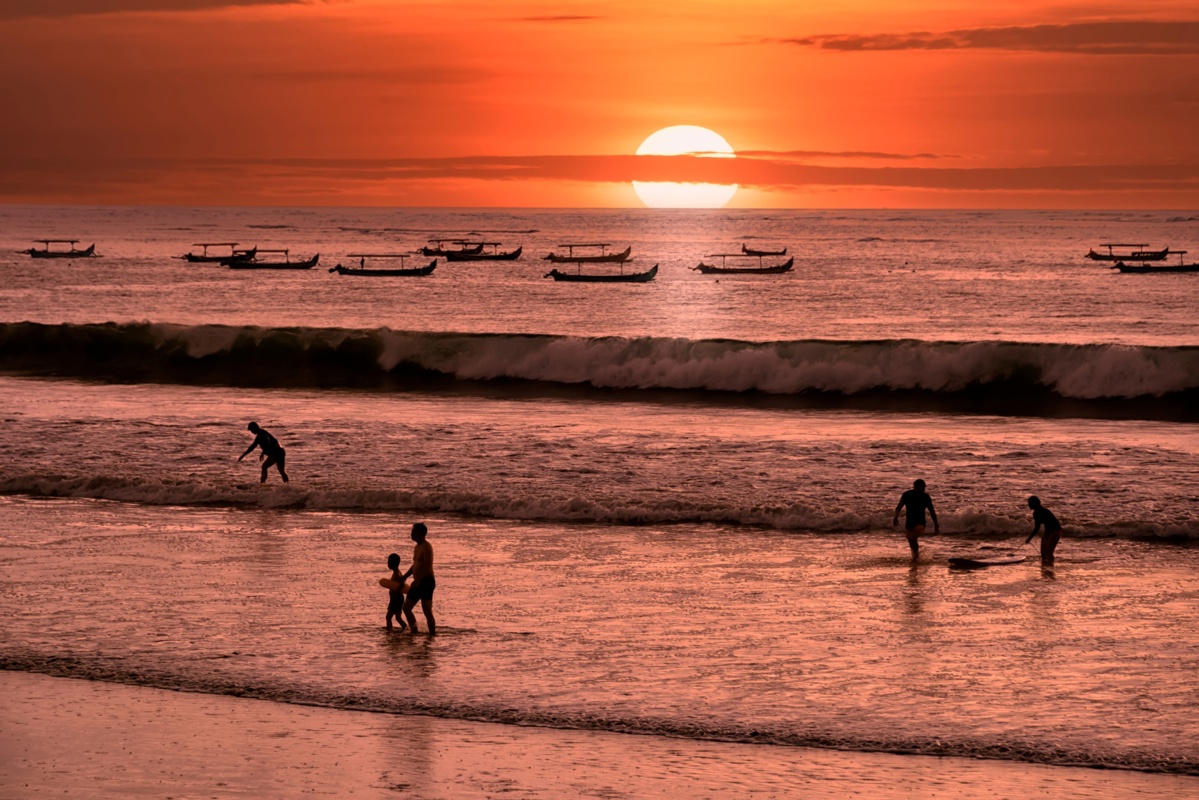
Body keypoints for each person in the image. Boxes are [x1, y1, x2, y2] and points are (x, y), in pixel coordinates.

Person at [401, 522, 436, 634]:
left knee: (427, 612)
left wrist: (419, 581)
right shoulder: (417, 547)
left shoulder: (427, 547)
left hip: (426, 582)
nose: (411, 534)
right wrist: (405, 576)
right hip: (417, 581)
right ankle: (414, 631)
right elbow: (415, 565)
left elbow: (427, 565)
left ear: (421, 533)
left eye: (413, 532)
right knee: (406, 608)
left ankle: (432, 634)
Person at [893, 479, 939, 560]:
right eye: (921, 488)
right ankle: (915, 558)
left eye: (923, 488)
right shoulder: (907, 495)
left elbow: (932, 511)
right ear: (915, 487)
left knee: (913, 538)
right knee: (912, 542)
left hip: (921, 523)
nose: (922, 489)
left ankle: (915, 558)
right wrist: (895, 517)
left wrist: (936, 524)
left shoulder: (926, 497)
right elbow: (898, 508)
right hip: (909, 523)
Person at [1025, 496, 1062, 564]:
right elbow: (1040, 526)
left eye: (1030, 503)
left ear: (1034, 504)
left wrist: (1029, 538)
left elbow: (1037, 527)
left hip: (1055, 530)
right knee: (1043, 552)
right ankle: (1045, 567)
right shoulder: (1036, 512)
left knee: (1049, 552)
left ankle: (1050, 566)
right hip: (1048, 530)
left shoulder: (1040, 512)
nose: (1028, 505)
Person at [385, 553, 407, 632]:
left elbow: (402, 584)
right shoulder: (397, 572)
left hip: (396, 598)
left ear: (392, 563)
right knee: (397, 618)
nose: (387, 564)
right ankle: (406, 628)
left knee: (388, 617)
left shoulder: (397, 573)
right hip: (397, 597)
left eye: (388, 562)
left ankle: (389, 631)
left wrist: (395, 593)